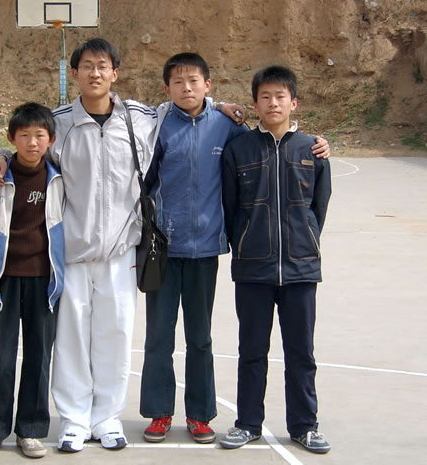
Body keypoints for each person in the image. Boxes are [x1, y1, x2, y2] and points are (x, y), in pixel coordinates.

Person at [0, 38, 242, 453]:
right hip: (71, 251)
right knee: (71, 339)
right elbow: (27, 145)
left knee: (115, 334)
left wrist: (223, 105)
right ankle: (74, 419)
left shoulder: (141, 117)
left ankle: (106, 417)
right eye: (87, 66)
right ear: (74, 74)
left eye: (103, 66)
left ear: (115, 73)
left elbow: (188, 104)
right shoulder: (60, 122)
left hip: (122, 251)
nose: (95, 73)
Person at [140, 54, 331, 445]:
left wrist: (304, 238)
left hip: (210, 250)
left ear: (208, 85)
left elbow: (317, 207)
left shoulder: (231, 128)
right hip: (164, 248)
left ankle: (201, 415)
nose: (187, 88)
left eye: (194, 80)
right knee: (159, 336)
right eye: (178, 82)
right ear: (166, 88)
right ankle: (161, 412)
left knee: (202, 338)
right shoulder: (157, 126)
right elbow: (144, 180)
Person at [220, 65, 331, 454]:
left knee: (301, 353)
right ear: (255, 104)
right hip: (253, 268)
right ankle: (247, 423)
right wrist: (245, 242)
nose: (273, 103)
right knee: (252, 352)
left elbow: (319, 208)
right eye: (265, 96)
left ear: (293, 102)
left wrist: (306, 240)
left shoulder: (312, 150)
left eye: (280, 96)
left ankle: (304, 425)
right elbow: (230, 208)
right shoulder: (239, 150)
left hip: (301, 268)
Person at [0, 102, 64, 460]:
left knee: (39, 357)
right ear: (11, 138)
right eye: (24, 135)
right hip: (4, 280)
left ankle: (31, 430)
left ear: (51, 139)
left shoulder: (59, 177)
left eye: (39, 135)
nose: (32, 143)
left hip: (44, 280)